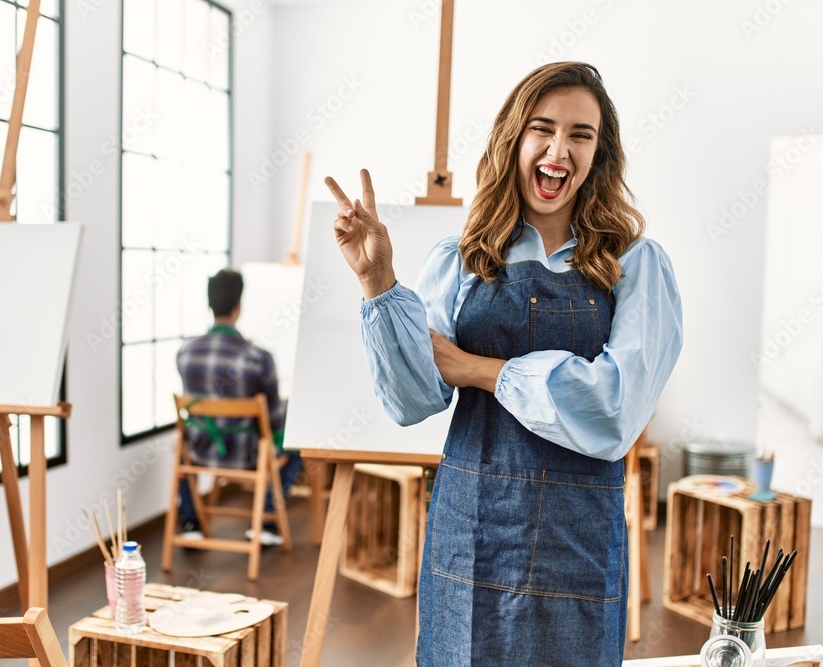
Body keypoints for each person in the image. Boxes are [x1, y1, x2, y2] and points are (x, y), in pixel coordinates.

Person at [326, 62, 683, 666]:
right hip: (473, 532)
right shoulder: (459, 259)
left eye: (581, 134)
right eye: (542, 128)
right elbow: (414, 399)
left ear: (601, 152)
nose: (558, 149)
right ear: (513, 138)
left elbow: (613, 411)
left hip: (579, 540)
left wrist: (479, 369)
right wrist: (377, 280)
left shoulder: (637, 265)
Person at [175, 269, 302, 547]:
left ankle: (189, 522)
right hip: (247, 455)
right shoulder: (258, 357)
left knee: (181, 441)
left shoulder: (185, 352)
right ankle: (267, 520)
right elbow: (274, 419)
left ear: (211, 305)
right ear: (238, 306)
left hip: (199, 451)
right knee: (296, 445)